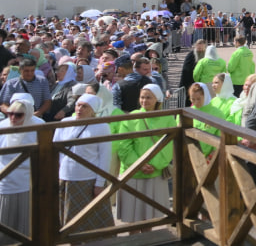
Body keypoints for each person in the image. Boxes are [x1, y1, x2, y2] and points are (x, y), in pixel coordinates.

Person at [0, 95, 39, 246]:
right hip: (1, 185)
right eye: (10, 114)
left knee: (25, 230)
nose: (13, 118)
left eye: (18, 115)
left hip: (27, 186)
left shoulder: (38, 127)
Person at [55, 93, 114, 234]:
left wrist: (99, 183)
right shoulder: (64, 123)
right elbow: (56, 149)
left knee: (91, 223)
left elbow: (105, 157)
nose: (79, 109)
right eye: (78, 105)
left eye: (84, 106)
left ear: (93, 110)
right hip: (66, 178)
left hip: (88, 179)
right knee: (70, 224)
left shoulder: (101, 127)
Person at [115, 85, 174, 225]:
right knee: (132, 220)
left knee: (150, 219)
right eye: (142, 97)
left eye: (148, 97)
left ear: (157, 99)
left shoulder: (167, 118)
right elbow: (124, 145)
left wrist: (155, 164)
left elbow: (168, 145)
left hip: (155, 173)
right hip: (132, 172)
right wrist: (139, 164)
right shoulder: (131, 117)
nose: (144, 100)